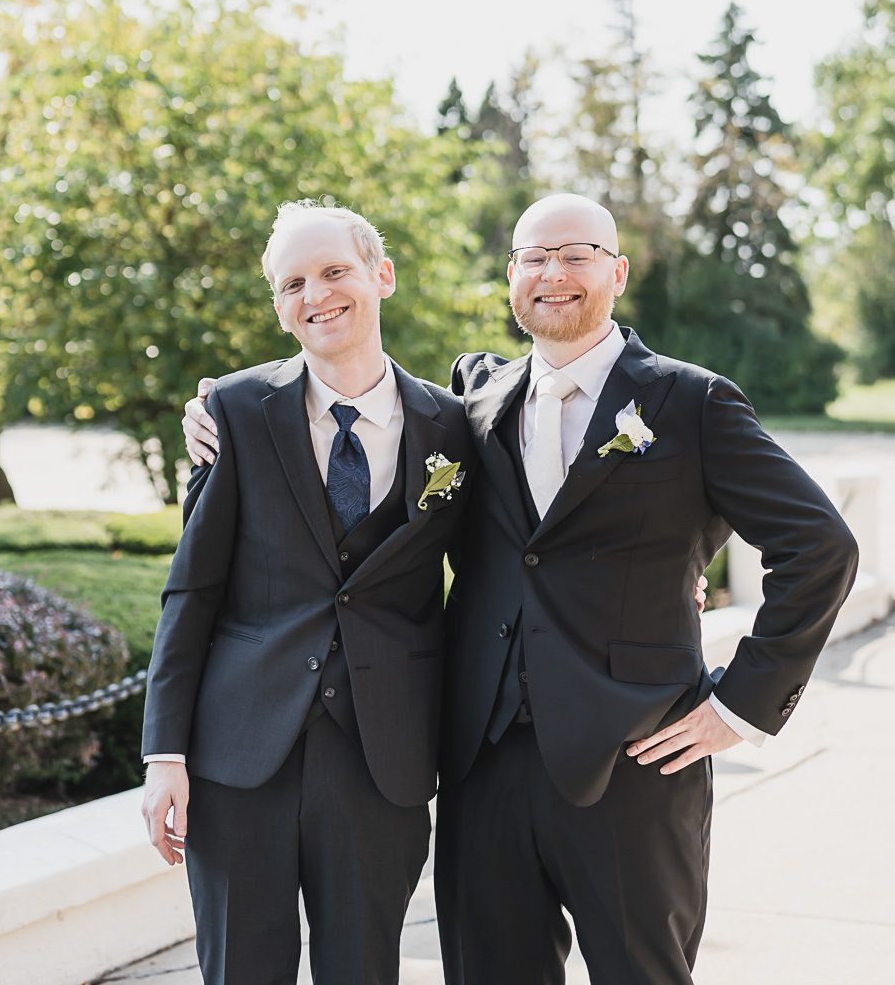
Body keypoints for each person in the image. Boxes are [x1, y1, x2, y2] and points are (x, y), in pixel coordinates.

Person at [182, 193, 856, 985]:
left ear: (618, 271)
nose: (553, 274)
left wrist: (740, 704)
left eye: (576, 255)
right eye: (533, 258)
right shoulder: (473, 402)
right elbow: (353, 402)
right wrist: (214, 411)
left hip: (633, 761)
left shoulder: (691, 401)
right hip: (483, 762)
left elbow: (819, 546)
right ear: (512, 277)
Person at [141, 200, 473, 985]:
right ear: (279, 305)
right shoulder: (234, 412)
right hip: (238, 756)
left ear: (380, 276)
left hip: (381, 759)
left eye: (334, 271)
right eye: (292, 282)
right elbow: (192, 589)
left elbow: (505, 563)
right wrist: (164, 754)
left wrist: (678, 578)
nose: (316, 294)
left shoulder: (454, 429)